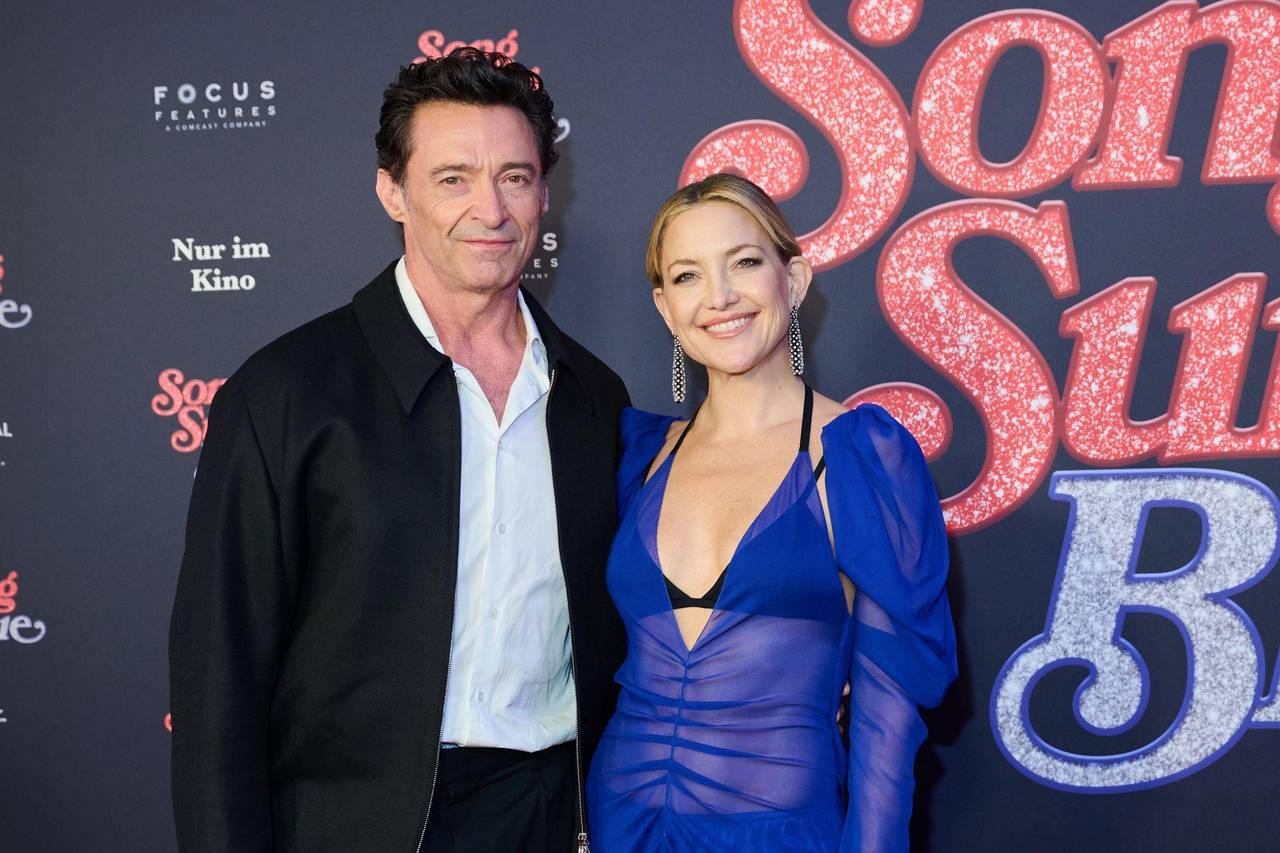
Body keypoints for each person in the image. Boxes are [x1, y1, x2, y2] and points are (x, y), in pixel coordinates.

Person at [169, 49, 629, 853]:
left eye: (515, 177)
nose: (490, 209)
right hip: (350, 825)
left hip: (550, 814)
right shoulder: (285, 395)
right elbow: (219, 683)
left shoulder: (595, 398)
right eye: (454, 177)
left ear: (545, 194)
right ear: (393, 191)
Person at [585, 173, 957, 851]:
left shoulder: (860, 455)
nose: (720, 296)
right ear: (666, 308)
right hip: (621, 820)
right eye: (688, 275)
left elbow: (888, 720)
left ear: (795, 279)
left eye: (745, 263)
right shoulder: (639, 452)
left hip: (779, 831)